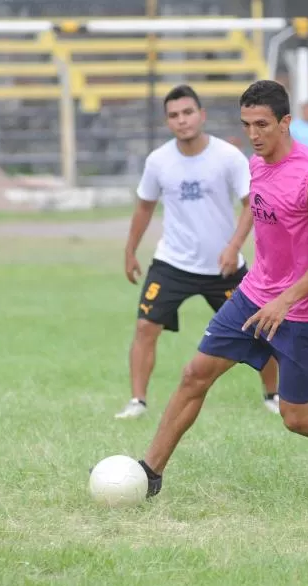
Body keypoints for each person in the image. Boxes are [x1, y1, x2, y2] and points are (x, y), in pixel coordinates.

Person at [134, 80, 308, 497]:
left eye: (262, 124)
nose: (254, 135)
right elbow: (259, 215)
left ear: (286, 122)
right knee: (195, 375)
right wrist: (237, 252)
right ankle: (149, 473)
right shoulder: (255, 164)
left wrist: (286, 299)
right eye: (247, 125)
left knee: (297, 418)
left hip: (304, 311)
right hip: (253, 295)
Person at [119, 84, 280, 420]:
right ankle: (138, 402)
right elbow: (144, 208)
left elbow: (252, 204)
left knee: (261, 329)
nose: (182, 120)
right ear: (168, 122)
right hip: (172, 263)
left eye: (188, 112)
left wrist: (233, 247)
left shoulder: (228, 157)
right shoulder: (159, 161)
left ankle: (273, 395)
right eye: (174, 115)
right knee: (146, 327)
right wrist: (130, 251)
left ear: (201, 115)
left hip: (223, 267)